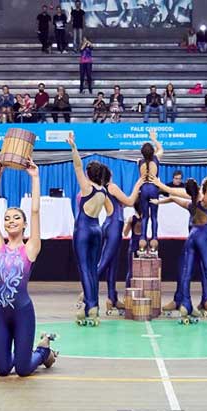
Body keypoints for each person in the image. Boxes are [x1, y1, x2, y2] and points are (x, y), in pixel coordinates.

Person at [0, 156, 56, 375]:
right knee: (3, 370)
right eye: (7, 218)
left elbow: (35, 211)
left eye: (16, 218)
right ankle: (25, 354)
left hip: (22, 313)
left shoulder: (30, 248)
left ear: (25, 224)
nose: (11, 221)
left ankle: (43, 351)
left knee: (23, 369)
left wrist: (35, 178)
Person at [152, 156, 207, 325]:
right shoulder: (205, 202)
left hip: (191, 237)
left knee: (186, 272)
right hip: (203, 238)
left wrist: (159, 201)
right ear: (200, 189)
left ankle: (185, 305)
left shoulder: (190, 204)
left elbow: (173, 198)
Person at [67, 132, 107, 325]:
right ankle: (93, 306)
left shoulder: (87, 188)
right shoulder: (103, 190)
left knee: (84, 269)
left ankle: (90, 305)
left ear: (89, 174)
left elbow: (77, 166)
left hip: (83, 230)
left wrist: (73, 147)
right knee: (93, 269)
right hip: (97, 230)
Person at [97, 172, 142, 314]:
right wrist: (138, 183)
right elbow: (130, 201)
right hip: (114, 226)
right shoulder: (112, 187)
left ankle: (112, 298)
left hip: (109, 225)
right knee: (103, 264)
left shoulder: (104, 188)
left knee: (112, 265)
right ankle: (86, 293)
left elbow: (121, 203)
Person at [137, 130, 164, 254]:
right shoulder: (156, 159)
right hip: (153, 189)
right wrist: (154, 138)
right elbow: (161, 149)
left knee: (144, 217)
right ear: (152, 152)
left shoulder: (139, 162)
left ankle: (142, 241)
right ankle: (154, 240)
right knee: (154, 216)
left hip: (143, 189)